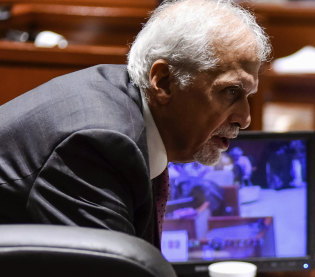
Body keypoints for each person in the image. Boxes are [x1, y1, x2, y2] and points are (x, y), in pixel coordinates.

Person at [0, 0, 271, 248]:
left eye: (248, 97)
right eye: (231, 92)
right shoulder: (99, 145)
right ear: (163, 81)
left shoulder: (129, 108)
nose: (245, 119)